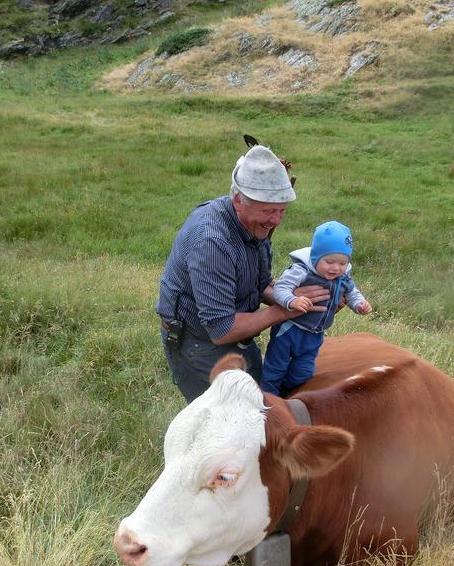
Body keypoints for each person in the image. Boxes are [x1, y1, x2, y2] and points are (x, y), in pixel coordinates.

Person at [156, 142, 331, 402]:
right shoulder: (212, 242)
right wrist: (284, 310)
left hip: (238, 335)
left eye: (282, 211)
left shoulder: (255, 225)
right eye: (269, 210)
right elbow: (222, 329)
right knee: (224, 427)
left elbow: (261, 284)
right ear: (238, 200)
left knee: (258, 404)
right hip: (199, 344)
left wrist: (298, 297)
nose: (276, 220)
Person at [260, 220, 372, 396]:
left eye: (343, 263)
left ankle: (287, 396)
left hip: (315, 334)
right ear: (316, 257)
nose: (336, 268)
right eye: (329, 261)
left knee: (302, 374)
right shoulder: (301, 270)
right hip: (289, 330)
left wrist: (359, 304)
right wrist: (291, 300)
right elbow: (280, 288)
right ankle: (268, 399)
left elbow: (352, 292)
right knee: (274, 370)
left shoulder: (343, 277)